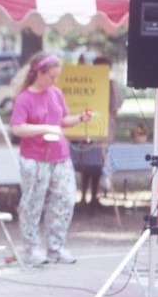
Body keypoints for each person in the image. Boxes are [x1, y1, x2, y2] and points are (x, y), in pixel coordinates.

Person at [9, 52, 92, 266]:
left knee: (64, 199)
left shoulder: (55, 93)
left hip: (59, 155)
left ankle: (56, 246)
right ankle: (32, 248)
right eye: (51, 76)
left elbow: (63, 119)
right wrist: (44, 128)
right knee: (32, 203)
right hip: (35, 157)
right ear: (39, 73)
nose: (54, 81)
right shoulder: (24, 98)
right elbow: (17, 128)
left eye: (56, 77)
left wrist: (80, 118)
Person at [75, 56, 123, 213]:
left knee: (97, 164)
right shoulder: (88, 81)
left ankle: (94, 197)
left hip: (103, 127)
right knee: (85, 163)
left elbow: (115, 106)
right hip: (86, 126)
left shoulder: (111, 85)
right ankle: (83, 197)